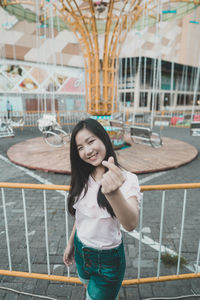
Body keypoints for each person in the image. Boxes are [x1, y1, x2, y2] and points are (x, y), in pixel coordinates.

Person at [63, 118, 141, 300]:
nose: (87, 150)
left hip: (108, 260)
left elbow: (130, 224)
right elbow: (81, 216)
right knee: (89, 289)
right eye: (80, 147)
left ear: (104, 139)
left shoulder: (126, 178)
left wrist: (112, 193)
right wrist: (71, 243)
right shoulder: (82, 177)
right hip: (82, 252)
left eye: (91, 141)